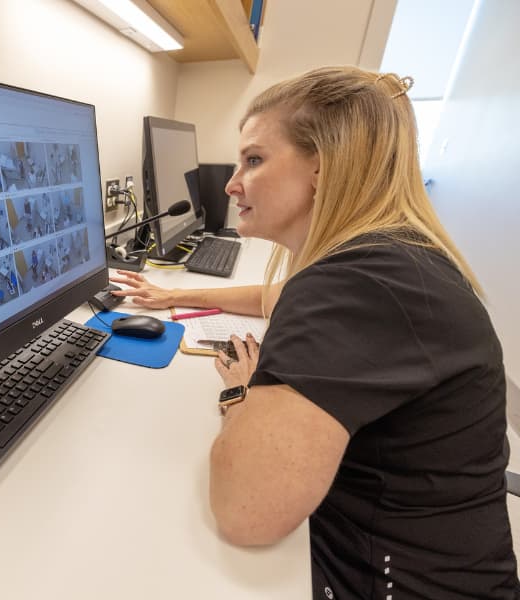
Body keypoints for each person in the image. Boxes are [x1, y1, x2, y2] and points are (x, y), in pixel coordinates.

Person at [110, 67, 519, 598]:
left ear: (323, 168)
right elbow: (273, 298)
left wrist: (243, 393)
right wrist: (175, 296)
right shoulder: (386, 260)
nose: (232, 183)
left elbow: (246, 511)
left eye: (253, 160)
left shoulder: (356, 286)